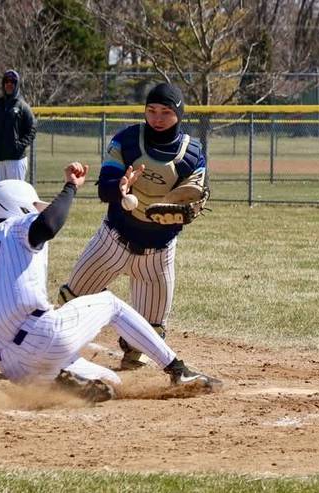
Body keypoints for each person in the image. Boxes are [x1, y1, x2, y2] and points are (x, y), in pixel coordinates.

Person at [0, 165, 219, 402]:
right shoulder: (18, 225)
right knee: (110, 304)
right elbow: (48, 225)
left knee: (110, 384)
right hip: (44, 335)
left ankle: (63, 385)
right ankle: (178, 370)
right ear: (18, 206)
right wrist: (71, 186)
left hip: (13, 367)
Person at [56, 82, 208, 370]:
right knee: (70, 302)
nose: (157, 118)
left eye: (165, 112)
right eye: (151, 110)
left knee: (149, 335)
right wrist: (120, 186)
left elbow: (195, 195)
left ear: (179, 114)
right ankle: (50, 359)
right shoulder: (127, 140)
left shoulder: (192, 153)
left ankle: (130, 385)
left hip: (158, 255)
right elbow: (105, 189)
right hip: (113, 241)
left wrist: (187, 209)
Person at [0, 70, 37, 182]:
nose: (9, 84)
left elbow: (32, 129)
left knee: (15, 195)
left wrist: (19, 146)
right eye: (6, 81)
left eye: (12, 81)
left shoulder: (22, 106)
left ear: (17, 84)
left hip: (15, 160)